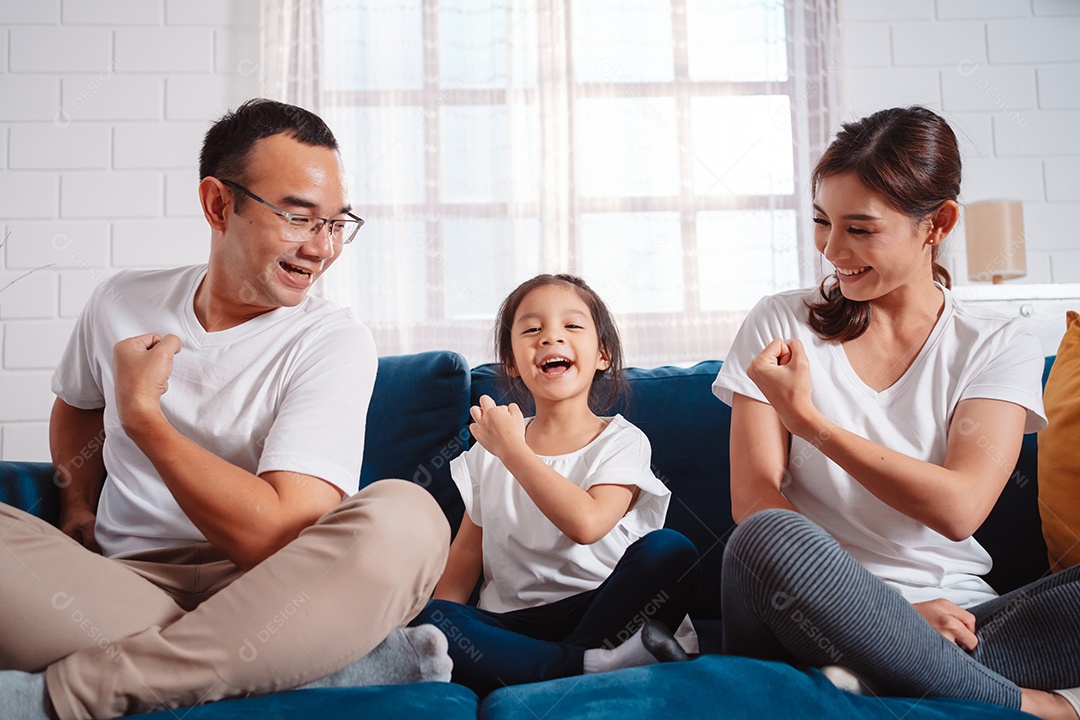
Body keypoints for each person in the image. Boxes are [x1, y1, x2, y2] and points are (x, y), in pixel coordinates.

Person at [0, 99, 453, 720]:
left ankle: (64, 695)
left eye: (336, 223)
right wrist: (76, 499)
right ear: (218, 205)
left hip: (278, 596)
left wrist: (144, 419)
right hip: (120, 592)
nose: (322, 248)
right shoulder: (119, 301)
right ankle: (329, 668)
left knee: (410, 516)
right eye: (298, 218)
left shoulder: (332, 340)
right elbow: (76, 405)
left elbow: (274, 538)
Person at [712, 106, 1080, 720]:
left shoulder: (994, 343)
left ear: (938, 223)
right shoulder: (780, 320)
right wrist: (892, 618)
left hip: (965, 619)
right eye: (822, 223)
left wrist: (813, 425)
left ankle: (871, 678)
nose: (832, 251)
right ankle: (1027, 703)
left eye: (860, 229)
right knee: (765, 538)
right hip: (805, 610)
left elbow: (958, 509)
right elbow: (753, 501)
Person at [412, 274, 699, 695]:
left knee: (672, 550)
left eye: (571, 326)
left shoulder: (621, 440)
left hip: (603, 607)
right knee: (427, 619)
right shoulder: (490, 448)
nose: (550, 339)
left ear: (602, 354)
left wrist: (513, 450)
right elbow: (467, 554)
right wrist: (435, 627)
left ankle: (548, 665)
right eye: (531, 330)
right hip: (515, 624)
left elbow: (587, 524)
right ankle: (591, 665)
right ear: (511, 362)